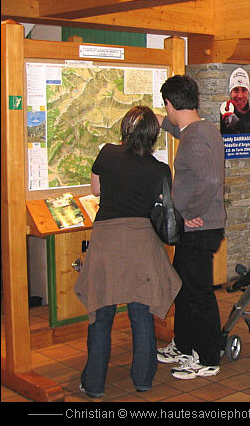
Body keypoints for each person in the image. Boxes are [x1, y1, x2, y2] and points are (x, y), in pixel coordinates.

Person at [74, 106, 182, 398]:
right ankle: (143, 379)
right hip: (142, 241)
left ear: (125, 129)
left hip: (107, 241)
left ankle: (94, 384)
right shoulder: (159, 169)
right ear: (153, 135)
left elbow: (96, 190)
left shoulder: (108, 153)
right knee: (141, 312)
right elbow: (162, 203)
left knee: (101, 313)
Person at [154, 75, 226, 380]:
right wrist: (156, 120)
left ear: (170, 103)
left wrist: (190, 213)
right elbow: (176, 126)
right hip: (198, 227)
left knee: (198, 293)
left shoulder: (195, 137)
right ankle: (183, 345)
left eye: (164, 107)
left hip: (199, 227)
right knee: (184, 288)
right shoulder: (200, 128)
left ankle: (209, 357)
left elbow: (210, 180)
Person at [220, 67, 250, 134]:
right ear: (231, 93)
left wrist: (239, 125)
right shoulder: (223, 115)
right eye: (236, 90)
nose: (240, 96)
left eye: (244, 90)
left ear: (248, 93)